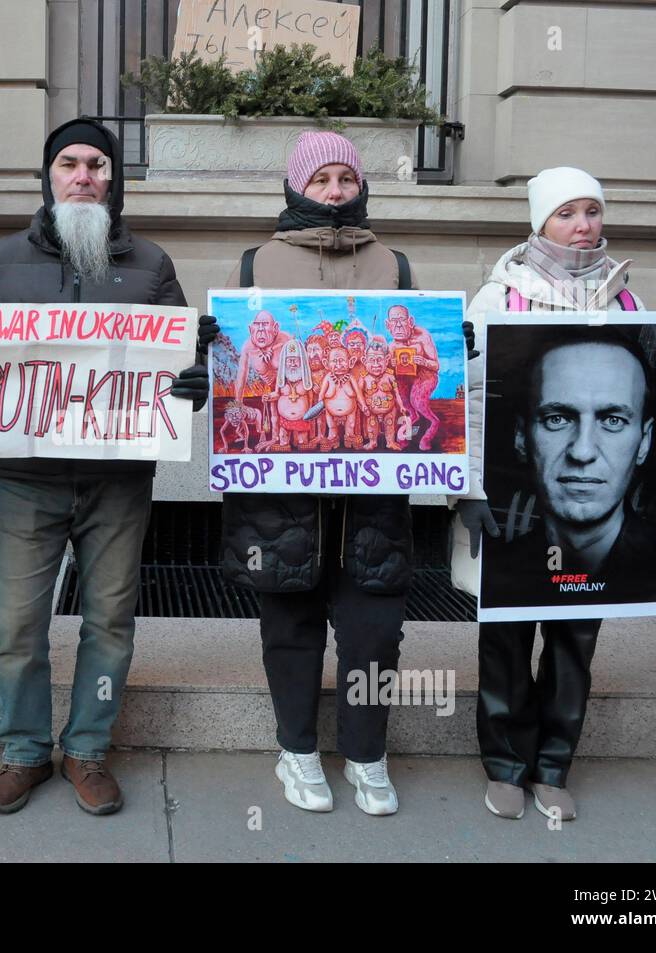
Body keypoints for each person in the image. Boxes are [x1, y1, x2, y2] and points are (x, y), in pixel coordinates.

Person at [0, 118, 208, 816]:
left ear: (114, 180)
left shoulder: (151, 264)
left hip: (119, 480)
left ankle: (87, 749)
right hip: (28, 477)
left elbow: (180, 367)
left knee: (110, 618)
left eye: (96, 165)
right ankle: (24, 751)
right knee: (15, 624)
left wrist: (194, 380)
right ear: (48, 176)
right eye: (68, 163)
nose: (82, 175)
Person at [451, 166, 656, 821]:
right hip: (513, 517)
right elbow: (466, 398)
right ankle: (506, 765)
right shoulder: (496, 298)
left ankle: (554, 764)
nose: (584, 225)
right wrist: (467, 490)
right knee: (505, 644)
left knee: (574, 645)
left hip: (591, 542)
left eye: (592, 211)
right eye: (568, 212)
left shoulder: (626, 301)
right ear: (540, 221)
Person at [220, 131, 419, 817]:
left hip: (372, 497)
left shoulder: (395, 263)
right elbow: (236, 367)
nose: (334, 191)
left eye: (345, 177)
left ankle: (367, 752)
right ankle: (297, 749)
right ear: (295, 186)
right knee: (290, 623)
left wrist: (451, 353)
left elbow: (411, 361)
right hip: (284, 496)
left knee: (375, 631)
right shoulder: (256, 263)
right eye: (320, 179)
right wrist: (208, 367)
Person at [478, 328, 656, 608]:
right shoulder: (501, 572)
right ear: (522, 437)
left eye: (613, 420)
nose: (582, 452)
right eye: (557, 419)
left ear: (645, 442)